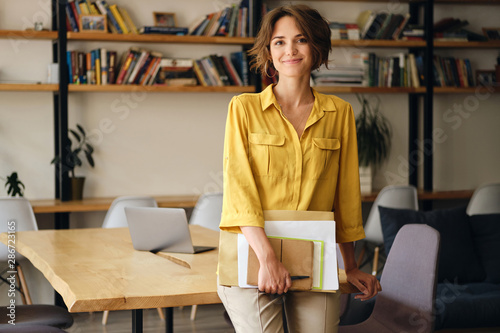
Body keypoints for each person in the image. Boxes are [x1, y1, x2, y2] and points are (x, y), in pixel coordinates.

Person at [217, 4, 381, 333]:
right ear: (268, 51)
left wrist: (351, 266)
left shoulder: (340, 113)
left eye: (301, 40)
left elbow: (345, 196)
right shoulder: (243, 109)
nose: (289, 50)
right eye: (279, 42)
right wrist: (268, 259)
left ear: (316, 48)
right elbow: (240, 191)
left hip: (315, 259)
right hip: (252, 255)